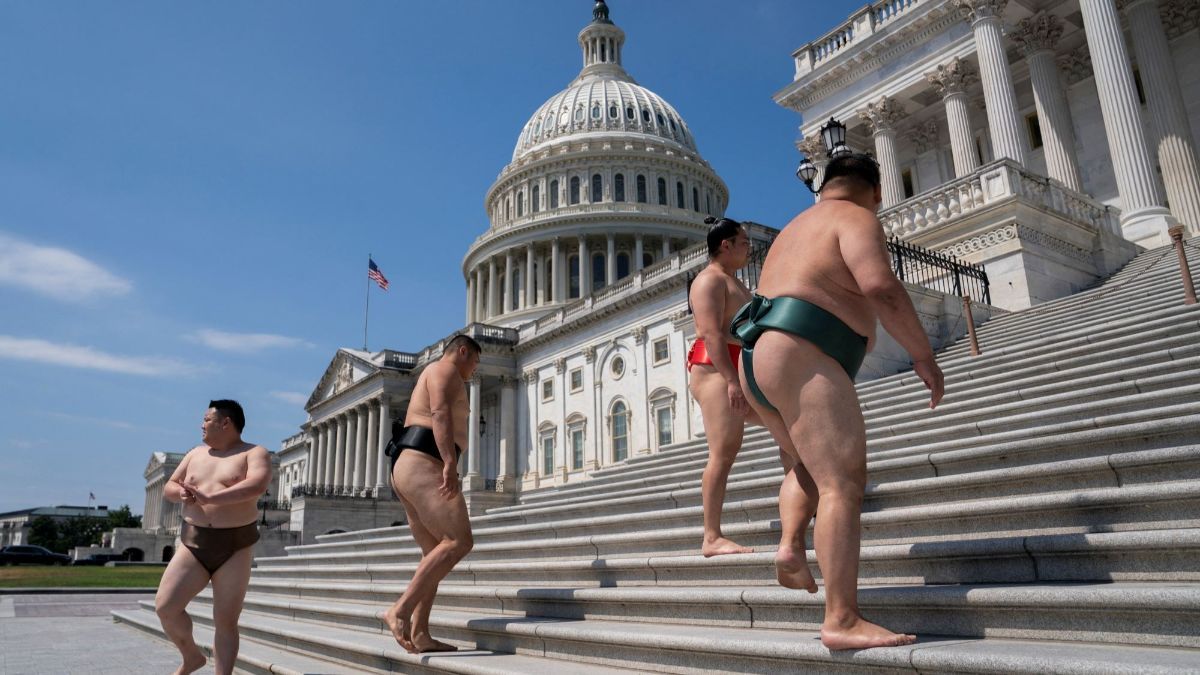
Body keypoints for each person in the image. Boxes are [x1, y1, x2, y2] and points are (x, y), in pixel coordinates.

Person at [732, 153, 944, 650]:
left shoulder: (795, 227)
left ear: (824, 186)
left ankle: (789, 547)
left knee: (806, 466)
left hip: (758, 357)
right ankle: (841, 619)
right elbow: (880, 288)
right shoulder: (856, 218)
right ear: (875, 192)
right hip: (803, 347)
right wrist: (923, 356)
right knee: (843, 484)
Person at [155, 399, 272, 675]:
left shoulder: (254, 453)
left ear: (225, 423)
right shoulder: (195, 453)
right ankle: (192, 656)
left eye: (207, 419)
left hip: (235, 546)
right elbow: (169, 486)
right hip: (193, 543)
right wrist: (181, 493)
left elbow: (256, 485)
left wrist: (213, 497)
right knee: (166, 607)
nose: (202, 425)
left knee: (226, 621)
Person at [383, 334, 480, 653]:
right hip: (426, 460)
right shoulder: (446, 370)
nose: (474, 370)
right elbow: (439, 412)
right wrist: (450, 462)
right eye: (475, 361)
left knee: (434, 554)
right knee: (459, 540)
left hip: (408, 463)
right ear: (462, 351)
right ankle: (399, 610)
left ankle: (420, 633)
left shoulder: (436, 372)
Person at [687, 216, 760, 557]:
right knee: (724, 451)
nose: (750, 248)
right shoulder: (708, 282)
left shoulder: (736, 282)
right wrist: (731, 379)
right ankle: (711, 536)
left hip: (740, 365)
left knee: (790, 425)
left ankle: (808, 502)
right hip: (716, 369)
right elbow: (711, 334)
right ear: (726, 245)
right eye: (744, 242)